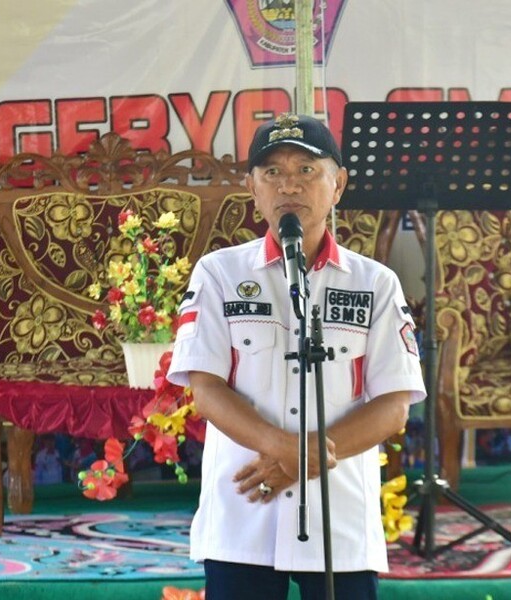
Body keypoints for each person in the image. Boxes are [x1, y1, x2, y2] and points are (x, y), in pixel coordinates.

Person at [167, 113, 426, 599]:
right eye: (273, 172)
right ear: (252, 188)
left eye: (307, 170)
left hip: (338, 518)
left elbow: (394, 405)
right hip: (245, 511)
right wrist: (283, 448)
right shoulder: (219, 274)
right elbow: (205, 388)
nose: (289, 185)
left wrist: (301, 459)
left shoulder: (375, 283)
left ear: (338, 184)